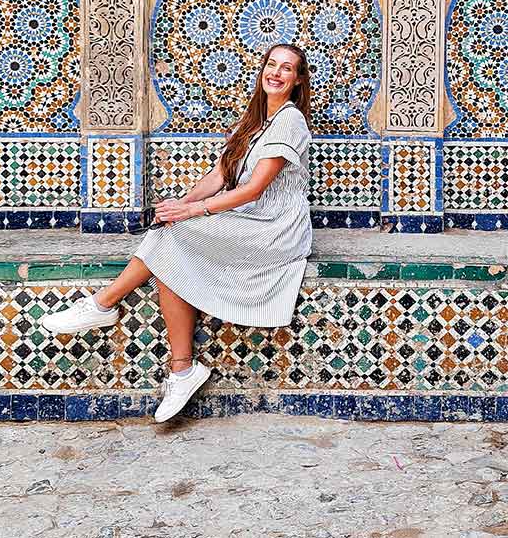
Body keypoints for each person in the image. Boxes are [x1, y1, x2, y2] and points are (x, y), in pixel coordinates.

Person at [41, 43, 313, 422]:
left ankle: (104, 305)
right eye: (272, 64)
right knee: (171, 245)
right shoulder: (252, 122)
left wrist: (190, 211)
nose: (276, 73)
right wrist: (179, 208)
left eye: (287, 69)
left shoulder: (289, 120)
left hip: (275, 227)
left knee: (173, 240)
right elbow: (220, 177)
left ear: (297, 80)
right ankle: (182, 369)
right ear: (262, 69)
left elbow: (253, 190)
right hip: (247, 218)